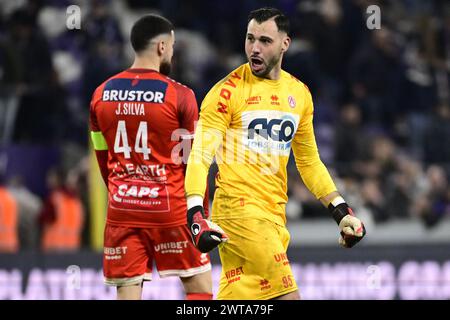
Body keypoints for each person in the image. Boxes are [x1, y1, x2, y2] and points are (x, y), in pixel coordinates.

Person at [184, 7, 366, 300]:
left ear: (285, 44)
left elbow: (308, 162)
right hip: (239, 212)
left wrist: (341, 210)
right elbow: (199, 155)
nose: (254, 48)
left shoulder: (299, 94)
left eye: (265, 41)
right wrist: (195, 215)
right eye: (250, 38)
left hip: (274, 216)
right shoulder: (226, 93)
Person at [89, 14, 212, 300]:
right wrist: (200, 214)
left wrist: (123, 192)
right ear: (161, 47)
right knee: (200, 291)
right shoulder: (180, 95)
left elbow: (102, 158)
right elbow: (193, 162)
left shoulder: (100, 94)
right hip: (170, 209)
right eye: (172, 46)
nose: (172, 52)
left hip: (123, 209)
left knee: (128, 292)